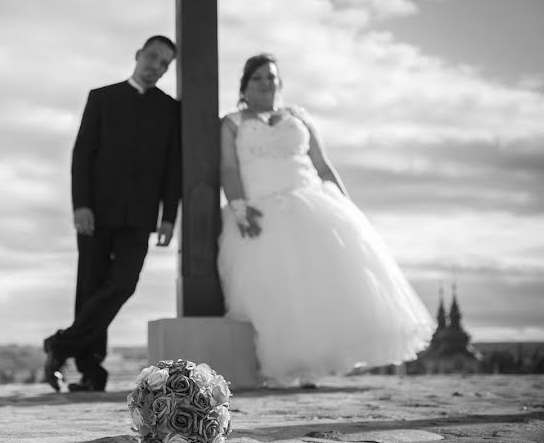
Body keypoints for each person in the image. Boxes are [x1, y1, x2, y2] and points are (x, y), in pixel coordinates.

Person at [217, 53, 433, 385]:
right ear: (244, 85)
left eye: (271, 77)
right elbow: (229, 169)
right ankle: (283, 365)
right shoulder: (232, 122)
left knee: (319, 285)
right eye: (257, 78)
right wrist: (240, 208)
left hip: (312, 204)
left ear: (280, 83)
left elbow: (322, 165)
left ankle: (314, 366)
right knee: (273, 288)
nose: (265, 83)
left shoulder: (299, 116)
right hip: (261, 210)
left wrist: (347, 207)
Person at [44, 35, 182, 392]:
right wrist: (81, 205)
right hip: (96, 211)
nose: (157, 66)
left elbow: (172, 167)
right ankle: (92, 372)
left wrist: (169, 215)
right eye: (153, 57)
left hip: (140, 215)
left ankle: (60, 345)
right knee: (90, 286)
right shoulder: (102, 97)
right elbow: (82, 155)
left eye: (165, 63)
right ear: (138, 55)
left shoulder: (170, 109)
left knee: (123, 282)